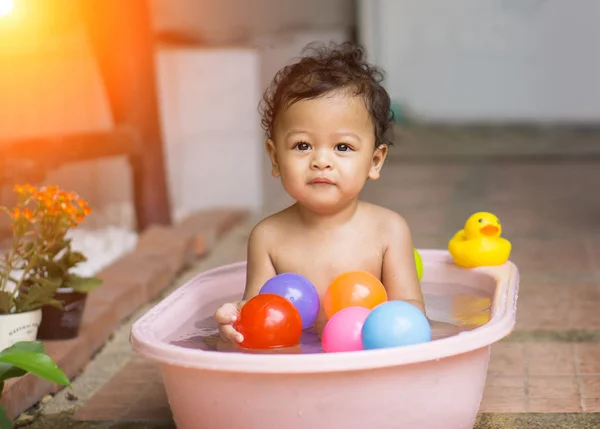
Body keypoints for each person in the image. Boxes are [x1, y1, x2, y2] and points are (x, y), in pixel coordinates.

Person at [215, 41, 425, 344]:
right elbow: (259, 312)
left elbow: (410, 313)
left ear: (374, 161)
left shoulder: (389, 230)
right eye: (302, 145)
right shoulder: (268, 236)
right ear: (275, 158)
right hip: (302, 362)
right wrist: (237, 319)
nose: (321, 161)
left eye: (343, 147)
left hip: (370, 359)